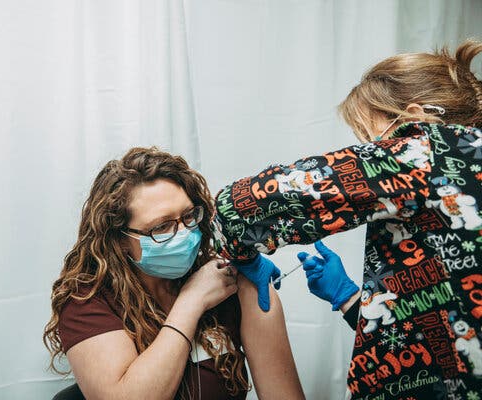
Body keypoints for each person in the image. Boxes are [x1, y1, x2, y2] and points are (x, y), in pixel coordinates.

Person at [212, 39, 482, 399]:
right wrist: (350, 300)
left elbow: (239, 208)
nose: (369, 152)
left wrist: (239, 248)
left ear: (416, 119)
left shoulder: (426, 149)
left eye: (372, 141)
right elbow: (453, 321)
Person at [43, 147, 305, 399]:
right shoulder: (88, 304)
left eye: (189, 216)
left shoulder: (230, 283)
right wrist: (191, 301)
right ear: (120, 239)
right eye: (162, 227)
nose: (184, 233)